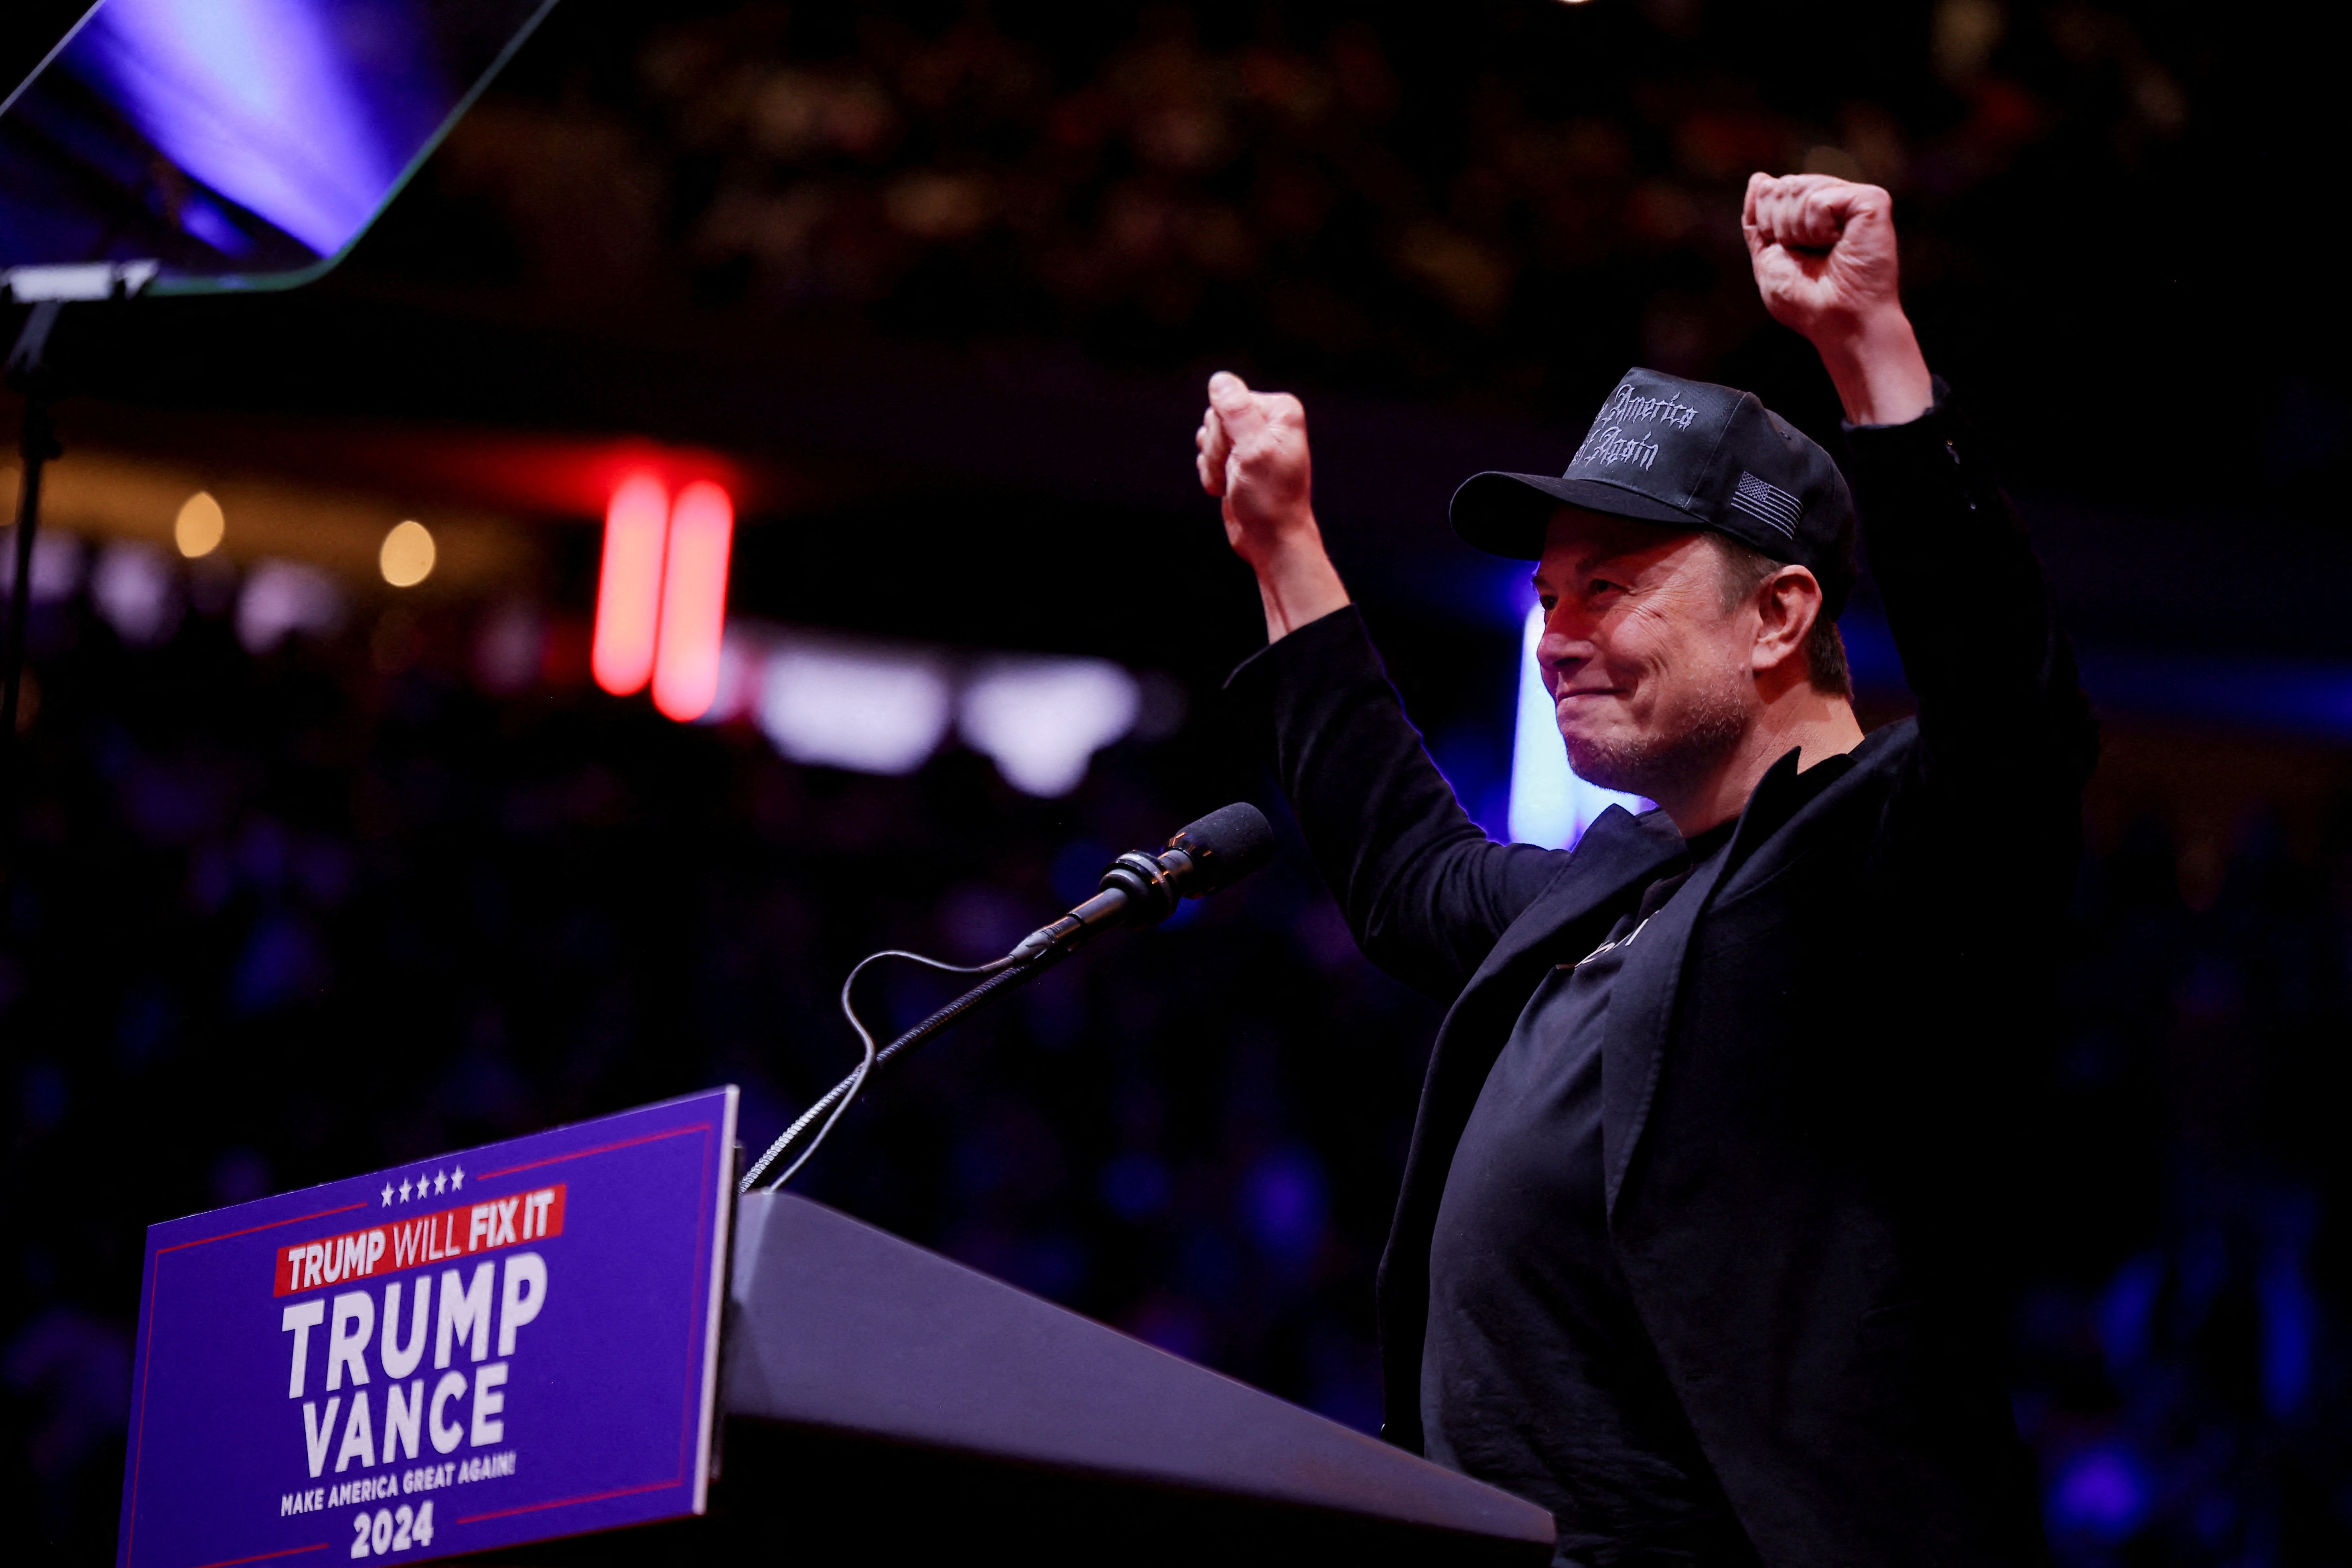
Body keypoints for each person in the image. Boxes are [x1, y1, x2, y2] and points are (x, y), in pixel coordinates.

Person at [1196, 173, 2096, 1566]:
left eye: (1609, 585)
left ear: (1779, 615)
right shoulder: (1611, 880)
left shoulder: (1895, 851)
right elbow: (1408, 876)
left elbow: (2011, 712)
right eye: (1547, 596)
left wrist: (1870, 348)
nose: (1554, 634)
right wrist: (1283, 548)